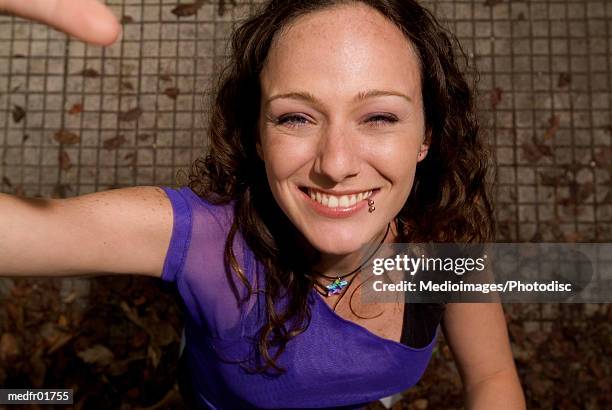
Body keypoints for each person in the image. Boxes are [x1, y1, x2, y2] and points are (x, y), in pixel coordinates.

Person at [0, 0, 525, 409]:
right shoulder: (206, 239)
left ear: (425, 137)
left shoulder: (443, 253)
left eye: (380, 117)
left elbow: (493, 376)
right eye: (296, 117)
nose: (336, 164)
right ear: (256, 135)